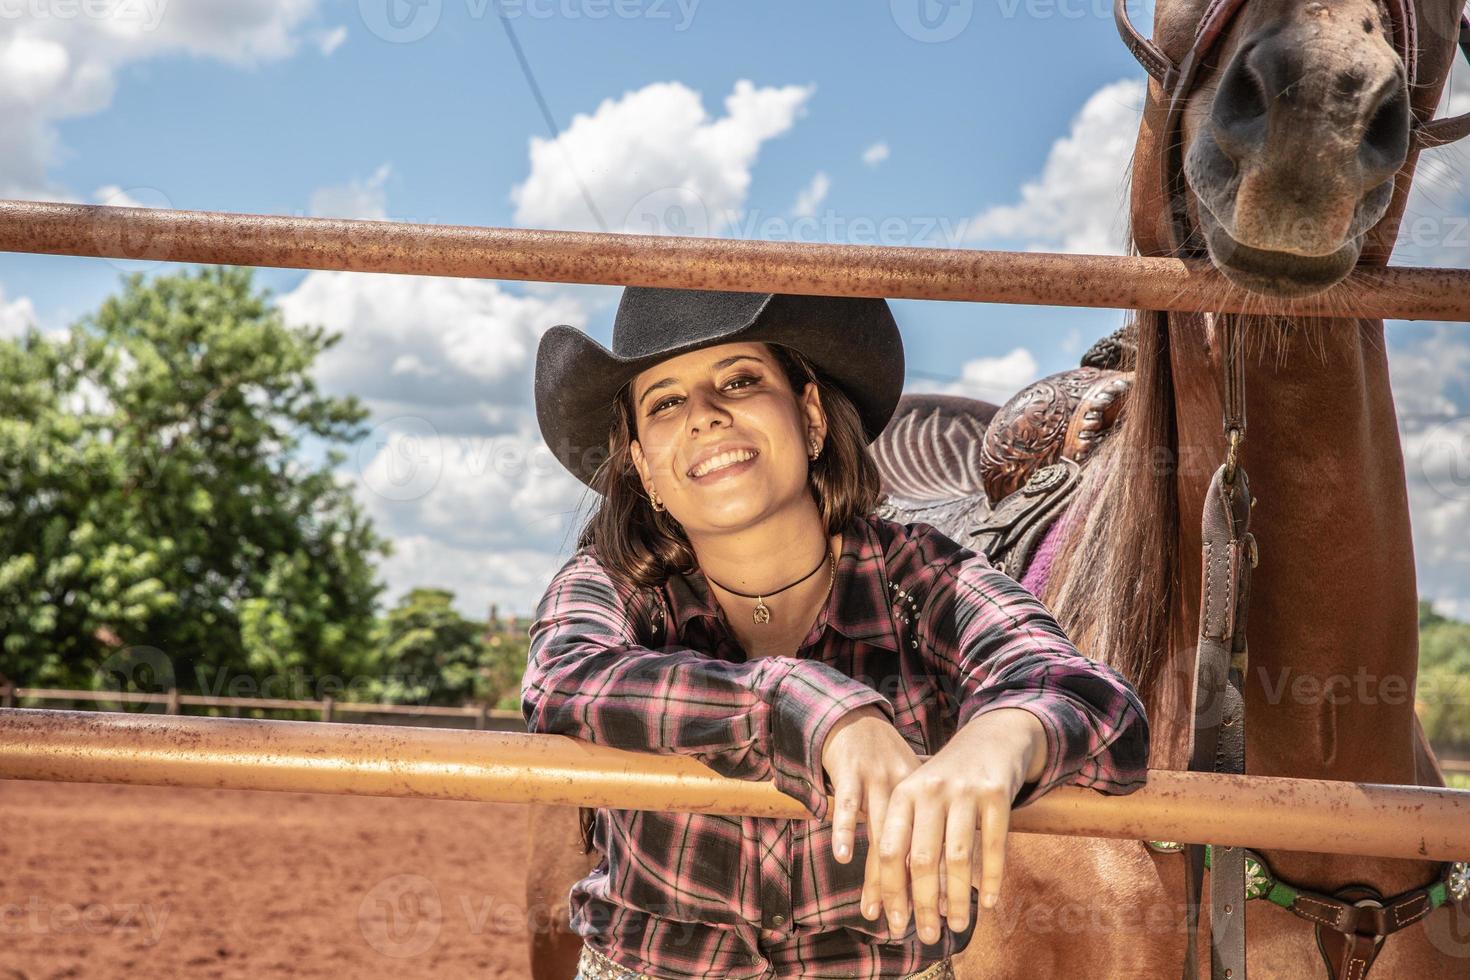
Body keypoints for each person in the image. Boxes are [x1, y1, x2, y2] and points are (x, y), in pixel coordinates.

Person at [524, 287, 1149, 980]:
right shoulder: (617, 584)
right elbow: (563, 677)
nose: (704, 415)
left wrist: (1005, 735)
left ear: (812, 418)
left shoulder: (920, 576)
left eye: (740, 379)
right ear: (645, 470)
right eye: (665, 402)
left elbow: (1090, 697)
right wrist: (802, 705)